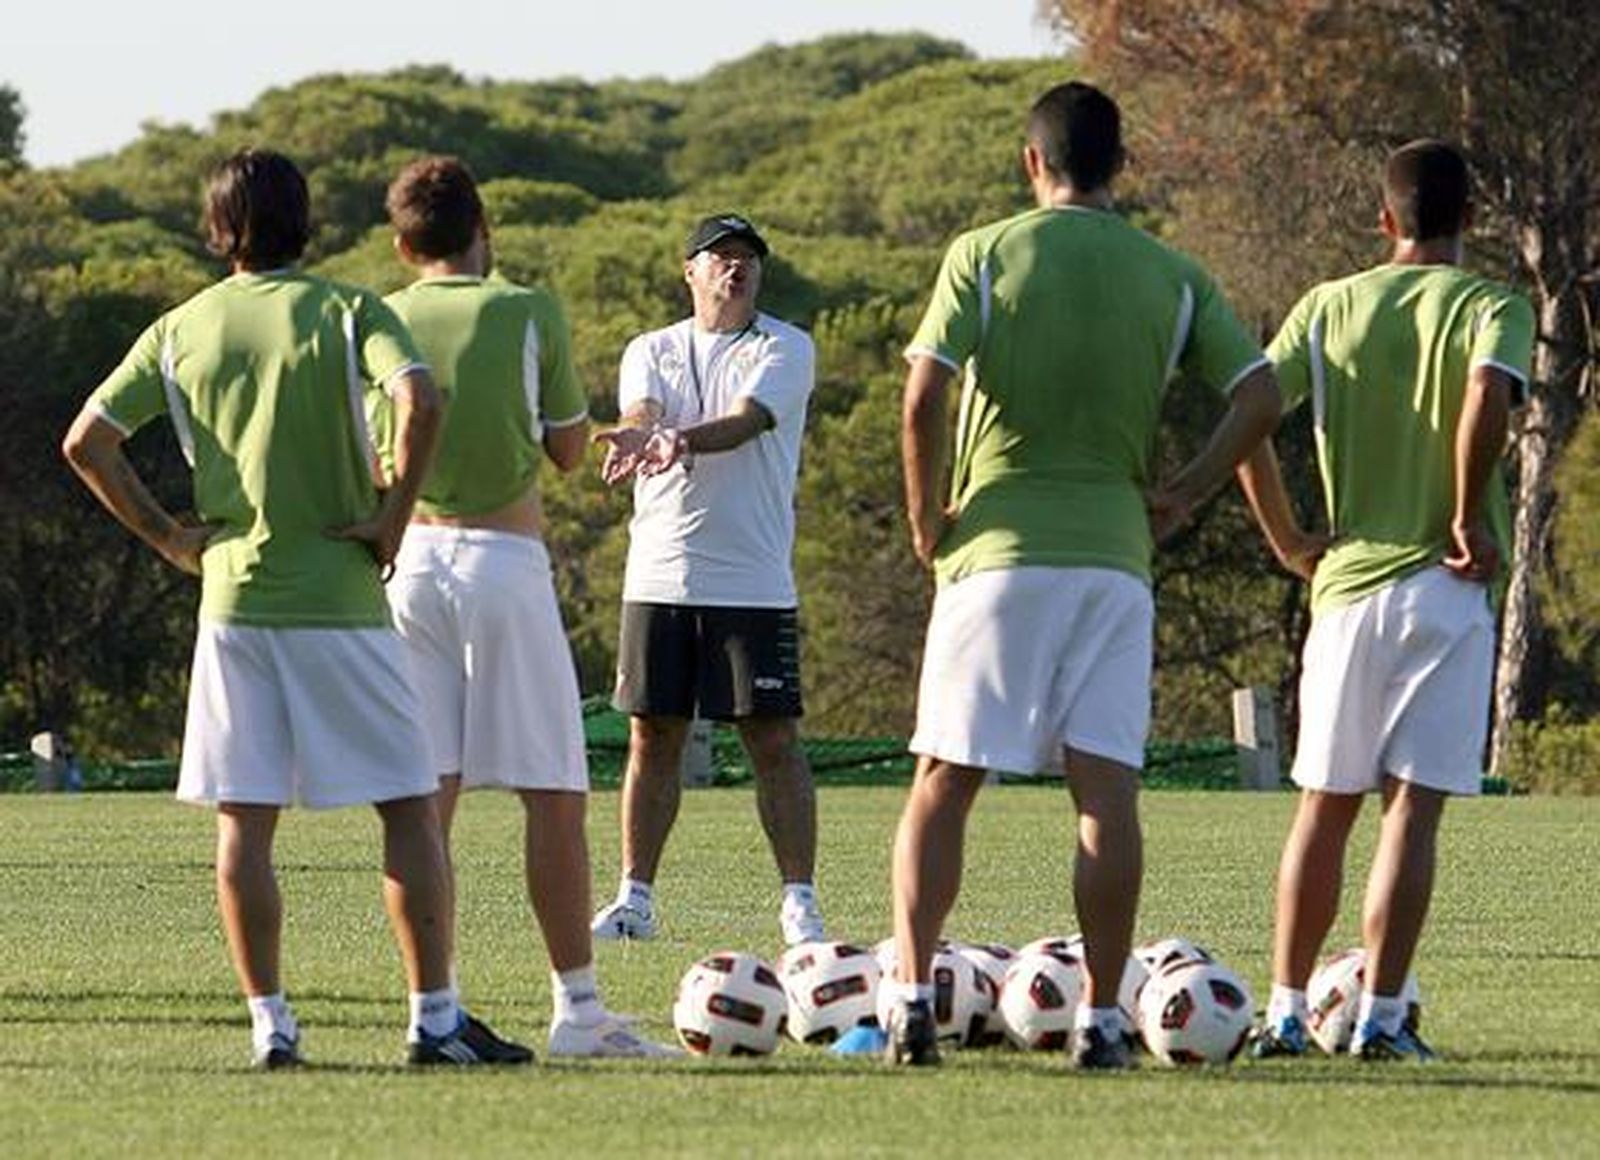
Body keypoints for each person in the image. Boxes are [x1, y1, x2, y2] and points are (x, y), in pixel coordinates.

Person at [60, 149, 529, 1070]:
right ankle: (434, 1022)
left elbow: (87, 441)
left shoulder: (183, 326)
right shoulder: (347, 309)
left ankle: (271, 1026)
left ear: (215, 228)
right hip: (340, 596)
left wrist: (169, 538)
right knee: (407, 809)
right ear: (304, 222)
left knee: (246, 824)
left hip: (234, 601)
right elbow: (420, 396)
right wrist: (395, 515)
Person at [886, 81, 1282, 1068]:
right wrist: (1187, 486)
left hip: (996, 551)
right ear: (1120, 166)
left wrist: (923, 511)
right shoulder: (1171, 272)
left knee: (944, 780)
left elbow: (921, 392)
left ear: (1032, 163)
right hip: (1115, 557)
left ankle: (906, 1001)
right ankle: (1102, 1018)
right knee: (1105, 798)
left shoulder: (982, 253)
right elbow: (1261, 391)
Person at [1242, 139, 1534, 1062]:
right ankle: (1379, 1018)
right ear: (1471, 221)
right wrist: (1465, 514)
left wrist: (1287, 537)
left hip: (1345, 589)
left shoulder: (1328, 307)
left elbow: (1247, 409)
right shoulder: (1495, 303)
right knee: (1411, 809)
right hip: (1446, 589)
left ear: (1384, 219)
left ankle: (1284, 1012)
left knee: (1324, 807)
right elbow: (1487, 394)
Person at [380, 155, 674, 1057]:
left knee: (424, 799)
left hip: (409, 565)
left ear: (401, 243)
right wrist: (618, 434)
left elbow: (381, 449)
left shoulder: (378, 317)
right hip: (502, 559)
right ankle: (579, 1011)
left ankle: (434, 1008)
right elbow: (565, 453)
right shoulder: (524, 307)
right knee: (552, 791)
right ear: (484, 229)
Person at [589, 212, 825, 948]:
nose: (736, 268)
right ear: (688, 270)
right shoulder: (650, 348)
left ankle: (799, 905)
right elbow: (642, 407)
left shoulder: (785, 346)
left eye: (748, 257)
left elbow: (748, 421)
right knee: (651, 737)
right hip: (659, 575)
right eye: (720, 257)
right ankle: (634, 900)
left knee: (773, 740)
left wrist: (671, 441)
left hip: (751, 579)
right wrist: (639, 429)